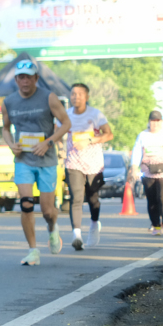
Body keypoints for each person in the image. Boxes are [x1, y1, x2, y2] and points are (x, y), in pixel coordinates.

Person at [1, 59, 71, 265]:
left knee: (47, 211)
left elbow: (66, 123)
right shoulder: (9, 102)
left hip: (46, 160)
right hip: (23, 159)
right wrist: (11, 145)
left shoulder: (49, 98)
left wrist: (49, 143)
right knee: (26, 203)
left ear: (36, 78)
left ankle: (52, 227)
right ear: (16, 80)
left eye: (29, 77)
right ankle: (33, 250)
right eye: (21, 77)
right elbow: (5, 128)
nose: (25, 81)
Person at [63, 82, 112, 250]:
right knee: (76, 198)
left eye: (79, 94)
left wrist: (90, 140)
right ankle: (76, 235)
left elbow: (109, 134)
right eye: (73, 94)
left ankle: (94, 224)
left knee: (93, 199)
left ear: (87, 97)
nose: (75, 97)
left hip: (93, 163)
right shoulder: (66, 115)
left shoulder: (95, 114)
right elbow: (57, 133)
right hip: (73, 162)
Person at [131, 110, 163, 234]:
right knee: (152, 200)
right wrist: (134, 168)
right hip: (148, 172)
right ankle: (156, 226)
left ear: (161, 122)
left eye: (157, 121)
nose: (155, 124)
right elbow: (136, 152)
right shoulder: (143, 136)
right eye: (153, 121)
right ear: (149, 122)